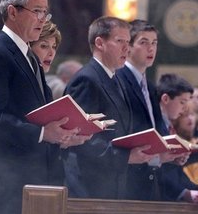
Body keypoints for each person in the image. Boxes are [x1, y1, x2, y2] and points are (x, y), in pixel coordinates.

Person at [0, 0, 88, 214]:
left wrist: (64, 135)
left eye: (45, 12)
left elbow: (42, 115)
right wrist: (42, 134)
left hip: (36, 184)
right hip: (6, 186)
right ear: (13, 12)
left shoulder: (30, 58)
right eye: (36, 11)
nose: (42, 19)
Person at [65, 16, 156, 200]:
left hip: (113, 184)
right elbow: (81, 139)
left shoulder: (115, 78)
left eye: (128, 42)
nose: (127, 48)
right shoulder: (87, 79)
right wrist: (126, 157)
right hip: (89, 185)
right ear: (100, 43)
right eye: (120, 41)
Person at [116, 20, 182, 201]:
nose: (151, 48)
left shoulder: (151, 87)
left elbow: (155, 127)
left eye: (154, 43)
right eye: (144, 42)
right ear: (128, 47)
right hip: (128, 179)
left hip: (150, 178)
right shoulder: (119, 80)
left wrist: (172, 152)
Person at [157, 74, 198, 204]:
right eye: (182, 102)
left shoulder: (167, 126)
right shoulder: (156, 125)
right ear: (165, 99)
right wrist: (184, 193)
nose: (185, 108)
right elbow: (159, 171)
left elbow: (176, 172)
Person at [171, 104, 198, 193]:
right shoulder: (176, 143)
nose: (190, 118)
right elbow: (184, 176)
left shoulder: (196, 143)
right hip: (190, 194)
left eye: (192, 115)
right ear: (177, 119)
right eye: (185, 116)